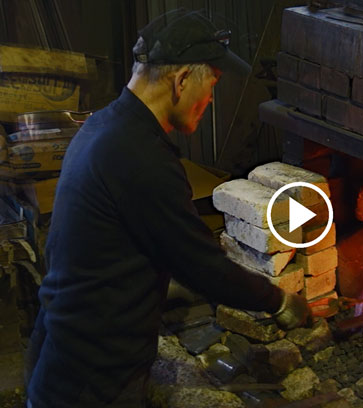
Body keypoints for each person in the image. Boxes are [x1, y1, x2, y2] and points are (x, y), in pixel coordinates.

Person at [25, 9, 312, 408]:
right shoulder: (141, 157)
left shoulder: (104, 127)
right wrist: (279, 302)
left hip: (62, 344)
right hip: (93, 374)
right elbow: (203, 266)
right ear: (181, 81)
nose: (210, 100)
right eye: (211, 85)